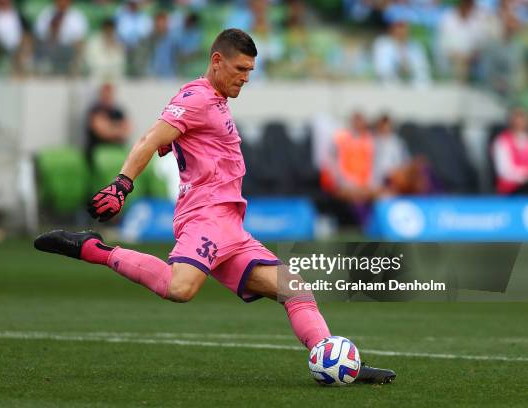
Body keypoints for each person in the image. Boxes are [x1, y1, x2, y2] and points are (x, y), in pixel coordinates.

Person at [34, 29, 395, 384]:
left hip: (230, 225)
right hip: (205, 217)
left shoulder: (216, 100)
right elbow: (149, 139)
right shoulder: (195, 98)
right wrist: (122, 184)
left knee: (294, 287)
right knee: (180, 289)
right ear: (217, 61)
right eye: (240, 70)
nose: (245, 78)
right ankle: (93, 249)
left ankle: (334, 360)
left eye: (250, 72)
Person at [85, 83, 131, 165]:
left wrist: (109, 127)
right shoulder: (95, 110)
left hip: (116, 150)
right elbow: (102, 132)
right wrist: (117, 128)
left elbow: (127, 131)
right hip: (97, 151)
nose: (108, 96)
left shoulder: (118, 112)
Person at [492, 107, 528, 194]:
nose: (520, 123)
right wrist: (524, 175)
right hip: (511, 189)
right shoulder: (502, 141)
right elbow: (504, 171)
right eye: (517, 119)